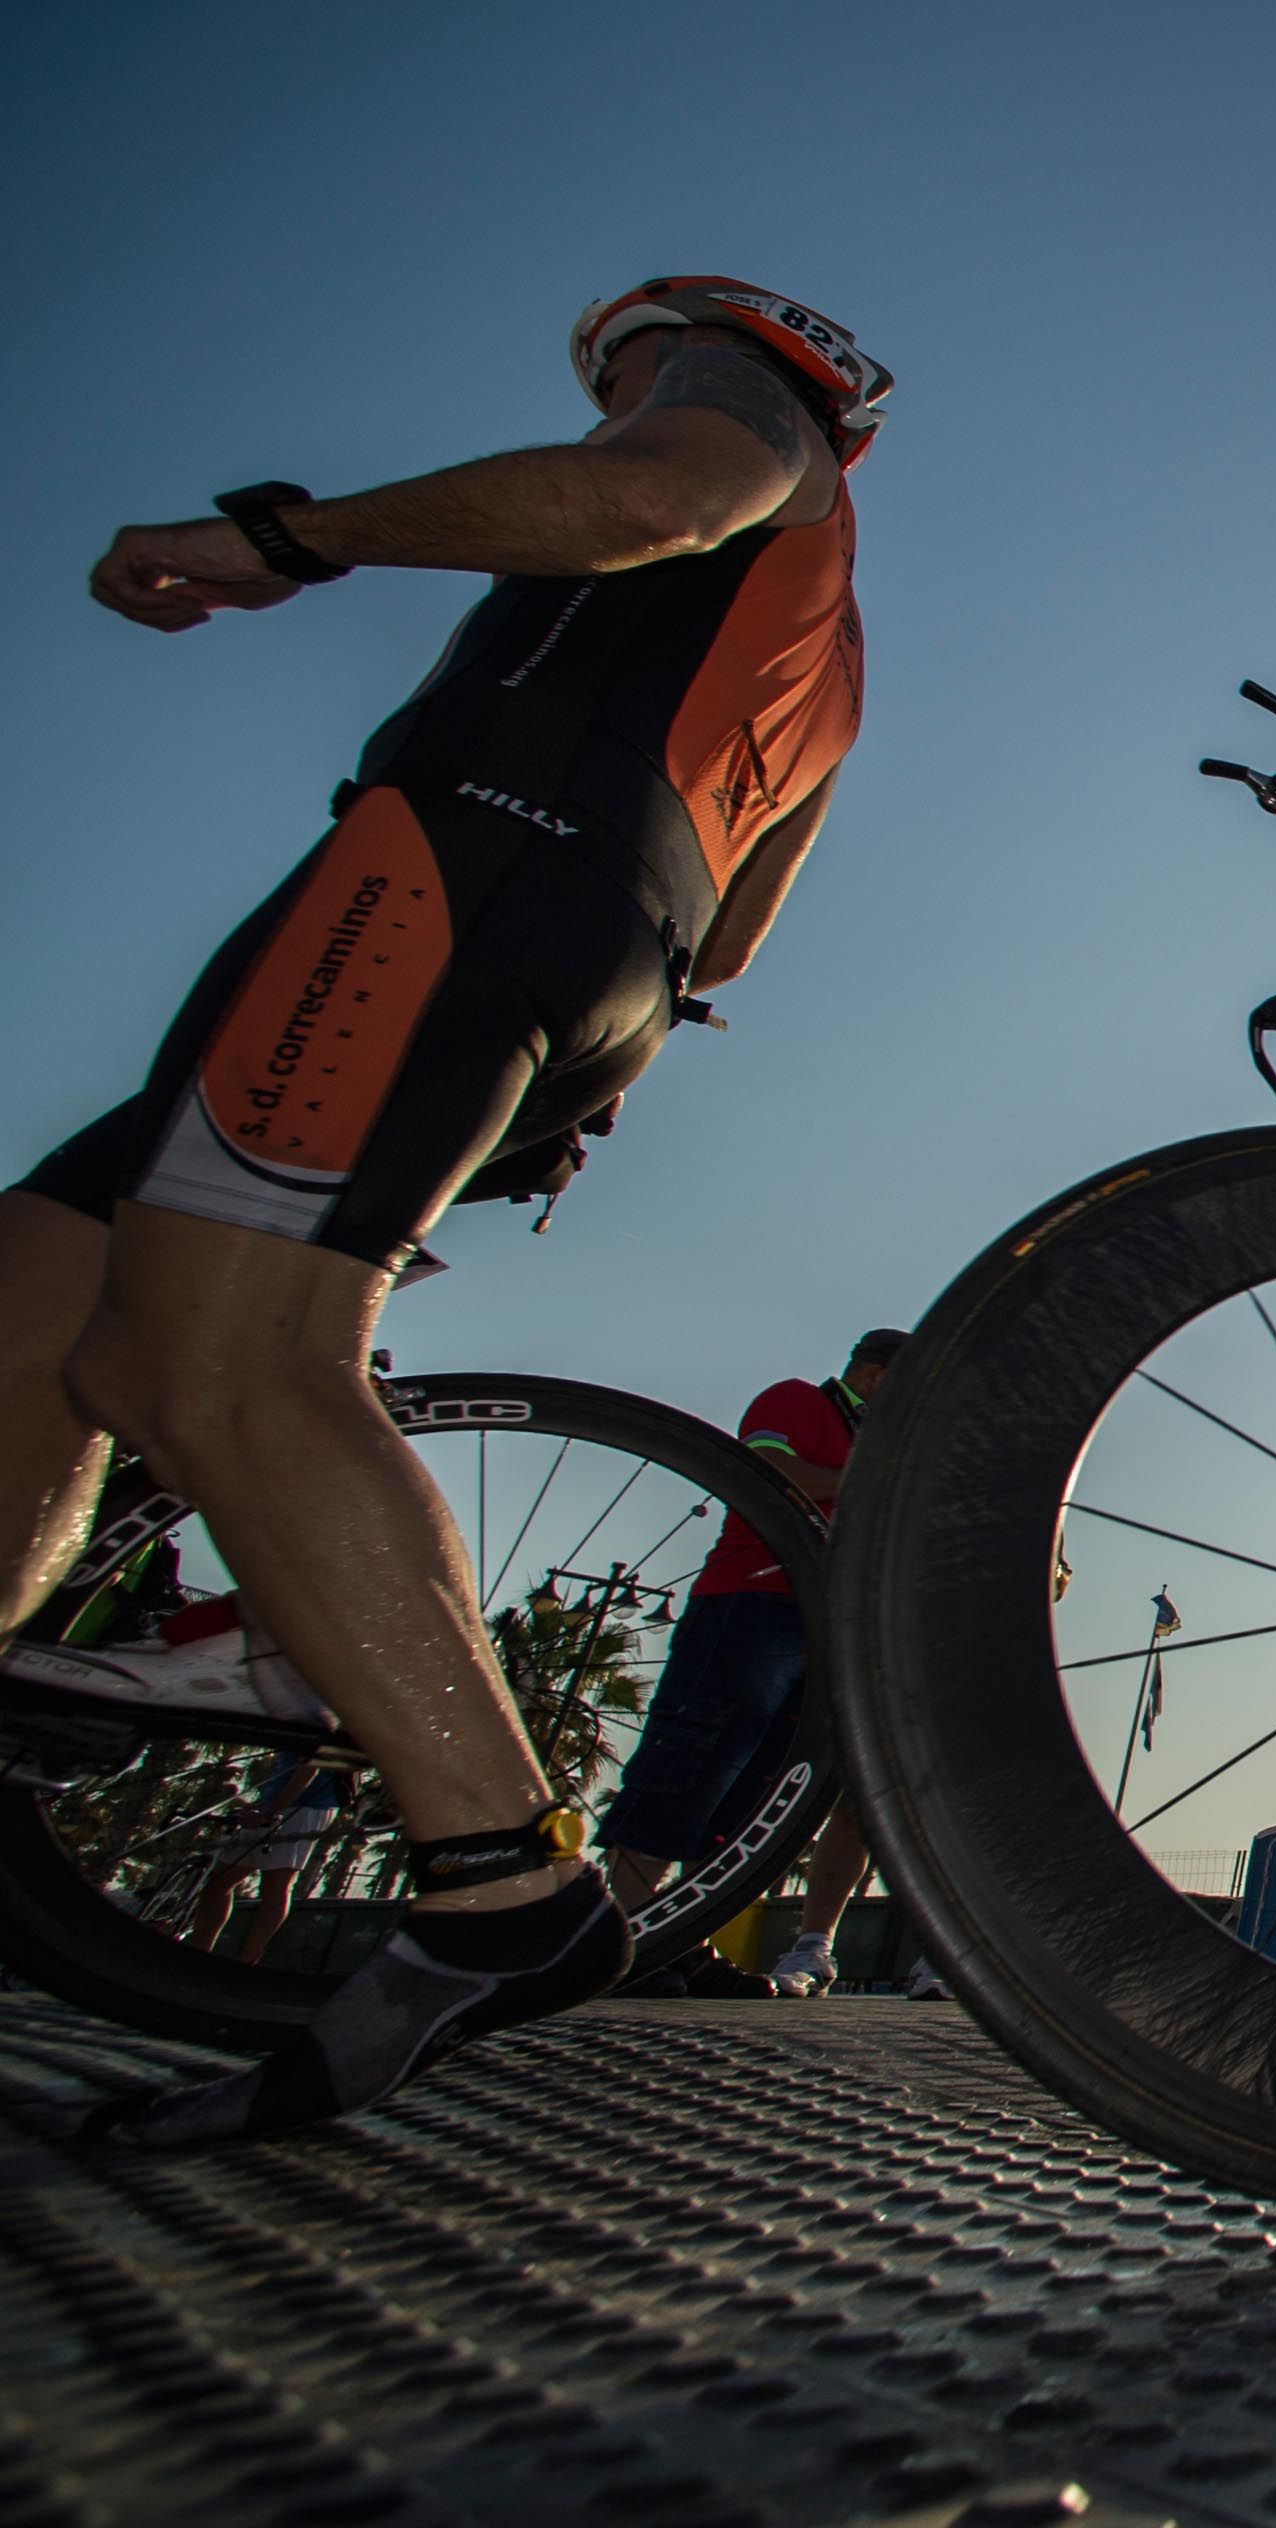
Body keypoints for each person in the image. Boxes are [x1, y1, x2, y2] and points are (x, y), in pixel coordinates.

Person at [0, 276, 886, 2142]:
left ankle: (500, 1882)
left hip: (455, 872)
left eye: (613, 376)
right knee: (41, 1291)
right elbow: (742, 928)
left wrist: (282, 539)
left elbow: (639, 503)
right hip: (578, 946)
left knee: (218, 1361)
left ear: (669, 345)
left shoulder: (740, 411)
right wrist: (584, 1076)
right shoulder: (835, 652)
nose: (613, 404)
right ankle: (250, 1628)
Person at [603, 1328, 903, 1999]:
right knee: (690, 1761)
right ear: (879, 1378)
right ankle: (623, 1936)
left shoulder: (875, 1444)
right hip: (750, 1603)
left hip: (826, 1627)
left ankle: (683, 1938)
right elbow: (765, 1472)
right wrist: (875, 1476)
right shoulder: (798, 1401)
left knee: (760, 1790)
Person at [182, 1755, 348, 1965]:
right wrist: (261, 1805)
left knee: (275, 1883)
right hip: (273, 1802)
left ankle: (248, 1959)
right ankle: (199, 1951)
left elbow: (309, 1769)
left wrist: (271, 1812)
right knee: (219, 1880)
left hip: (307, 1807)